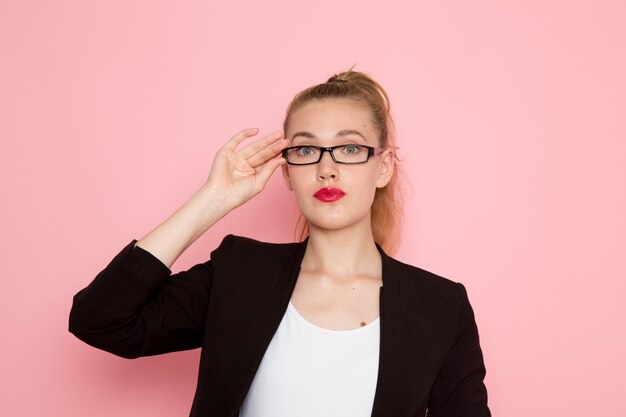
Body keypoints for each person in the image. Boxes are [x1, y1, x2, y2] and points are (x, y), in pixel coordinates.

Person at [69, 70, 491, 417]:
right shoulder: (240, 274)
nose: (327, 168)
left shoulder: (441, 306)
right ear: (288, 173)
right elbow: (101, 321)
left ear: (382, 168)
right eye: (306, 149)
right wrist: (211, 200)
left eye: (348, 148)